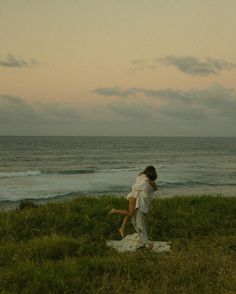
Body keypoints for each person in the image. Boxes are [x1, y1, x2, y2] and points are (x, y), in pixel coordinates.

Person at [109, 166, 158, 241]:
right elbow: (135, 187)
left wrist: (151, 184)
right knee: (130, 213)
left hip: (134, 196)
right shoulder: (145, 180)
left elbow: (148, 185)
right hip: (134, 197)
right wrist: (150, 184)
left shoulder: (141, 176)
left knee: (130, 215)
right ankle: (114, 211)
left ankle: (122, 229)